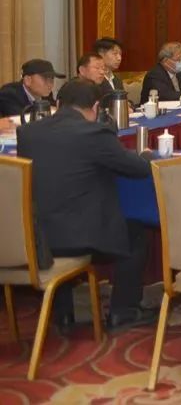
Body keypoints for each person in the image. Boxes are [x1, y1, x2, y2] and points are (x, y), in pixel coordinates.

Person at [16, 79, 154, 332]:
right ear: (96, 106)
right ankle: (123, 312)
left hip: (36, 236)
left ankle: (63, 314)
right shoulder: (95, 133)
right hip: (80, 236)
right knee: (134, 234)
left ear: (58, 104)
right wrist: (145, 155)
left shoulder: (27, 133)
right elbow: (137, 169)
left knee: (59, 215)